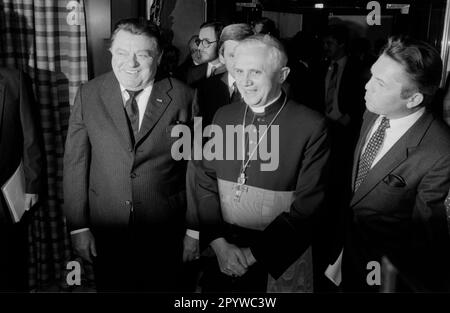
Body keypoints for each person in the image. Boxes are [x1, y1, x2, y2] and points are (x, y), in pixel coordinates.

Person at [63, 18, 196, 292]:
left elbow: (196, 169)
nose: (130, 63)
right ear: (111, 52)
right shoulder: (88, 94)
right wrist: (78, 227)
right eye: (122, 53)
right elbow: (75, 163)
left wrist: (194, 231)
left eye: (142, 55)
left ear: (158, 56)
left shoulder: (186, 97)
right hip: (107, 230)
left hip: (165, 231)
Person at [195, 34, 330, 292]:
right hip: (222, 250)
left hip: (276, 254)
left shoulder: (311, 126)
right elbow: (205, 179)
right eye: (239, 71)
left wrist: (250, 254)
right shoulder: (224, 116)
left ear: (282, 74)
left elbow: (309, 207)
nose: (245, 82)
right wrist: (218, 242)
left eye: (256, 72)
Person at [338, 36, 450, 292]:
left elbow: (425, 240)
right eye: (371, 76)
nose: (366, 87)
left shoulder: (440, 152)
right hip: (347, 254)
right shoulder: (372, 111)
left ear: (413, 99)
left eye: (379, 83)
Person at [0, 68, 43, 291]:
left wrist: (32, 185)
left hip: (6, 195)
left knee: (10, 261)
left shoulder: (14, 79)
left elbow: (30, 136)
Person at [182, 21, 226, 87]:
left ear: (220, 43)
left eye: (206, 41)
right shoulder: (193, 73)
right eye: (200, 41)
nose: (199, 47)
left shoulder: (234, 72)